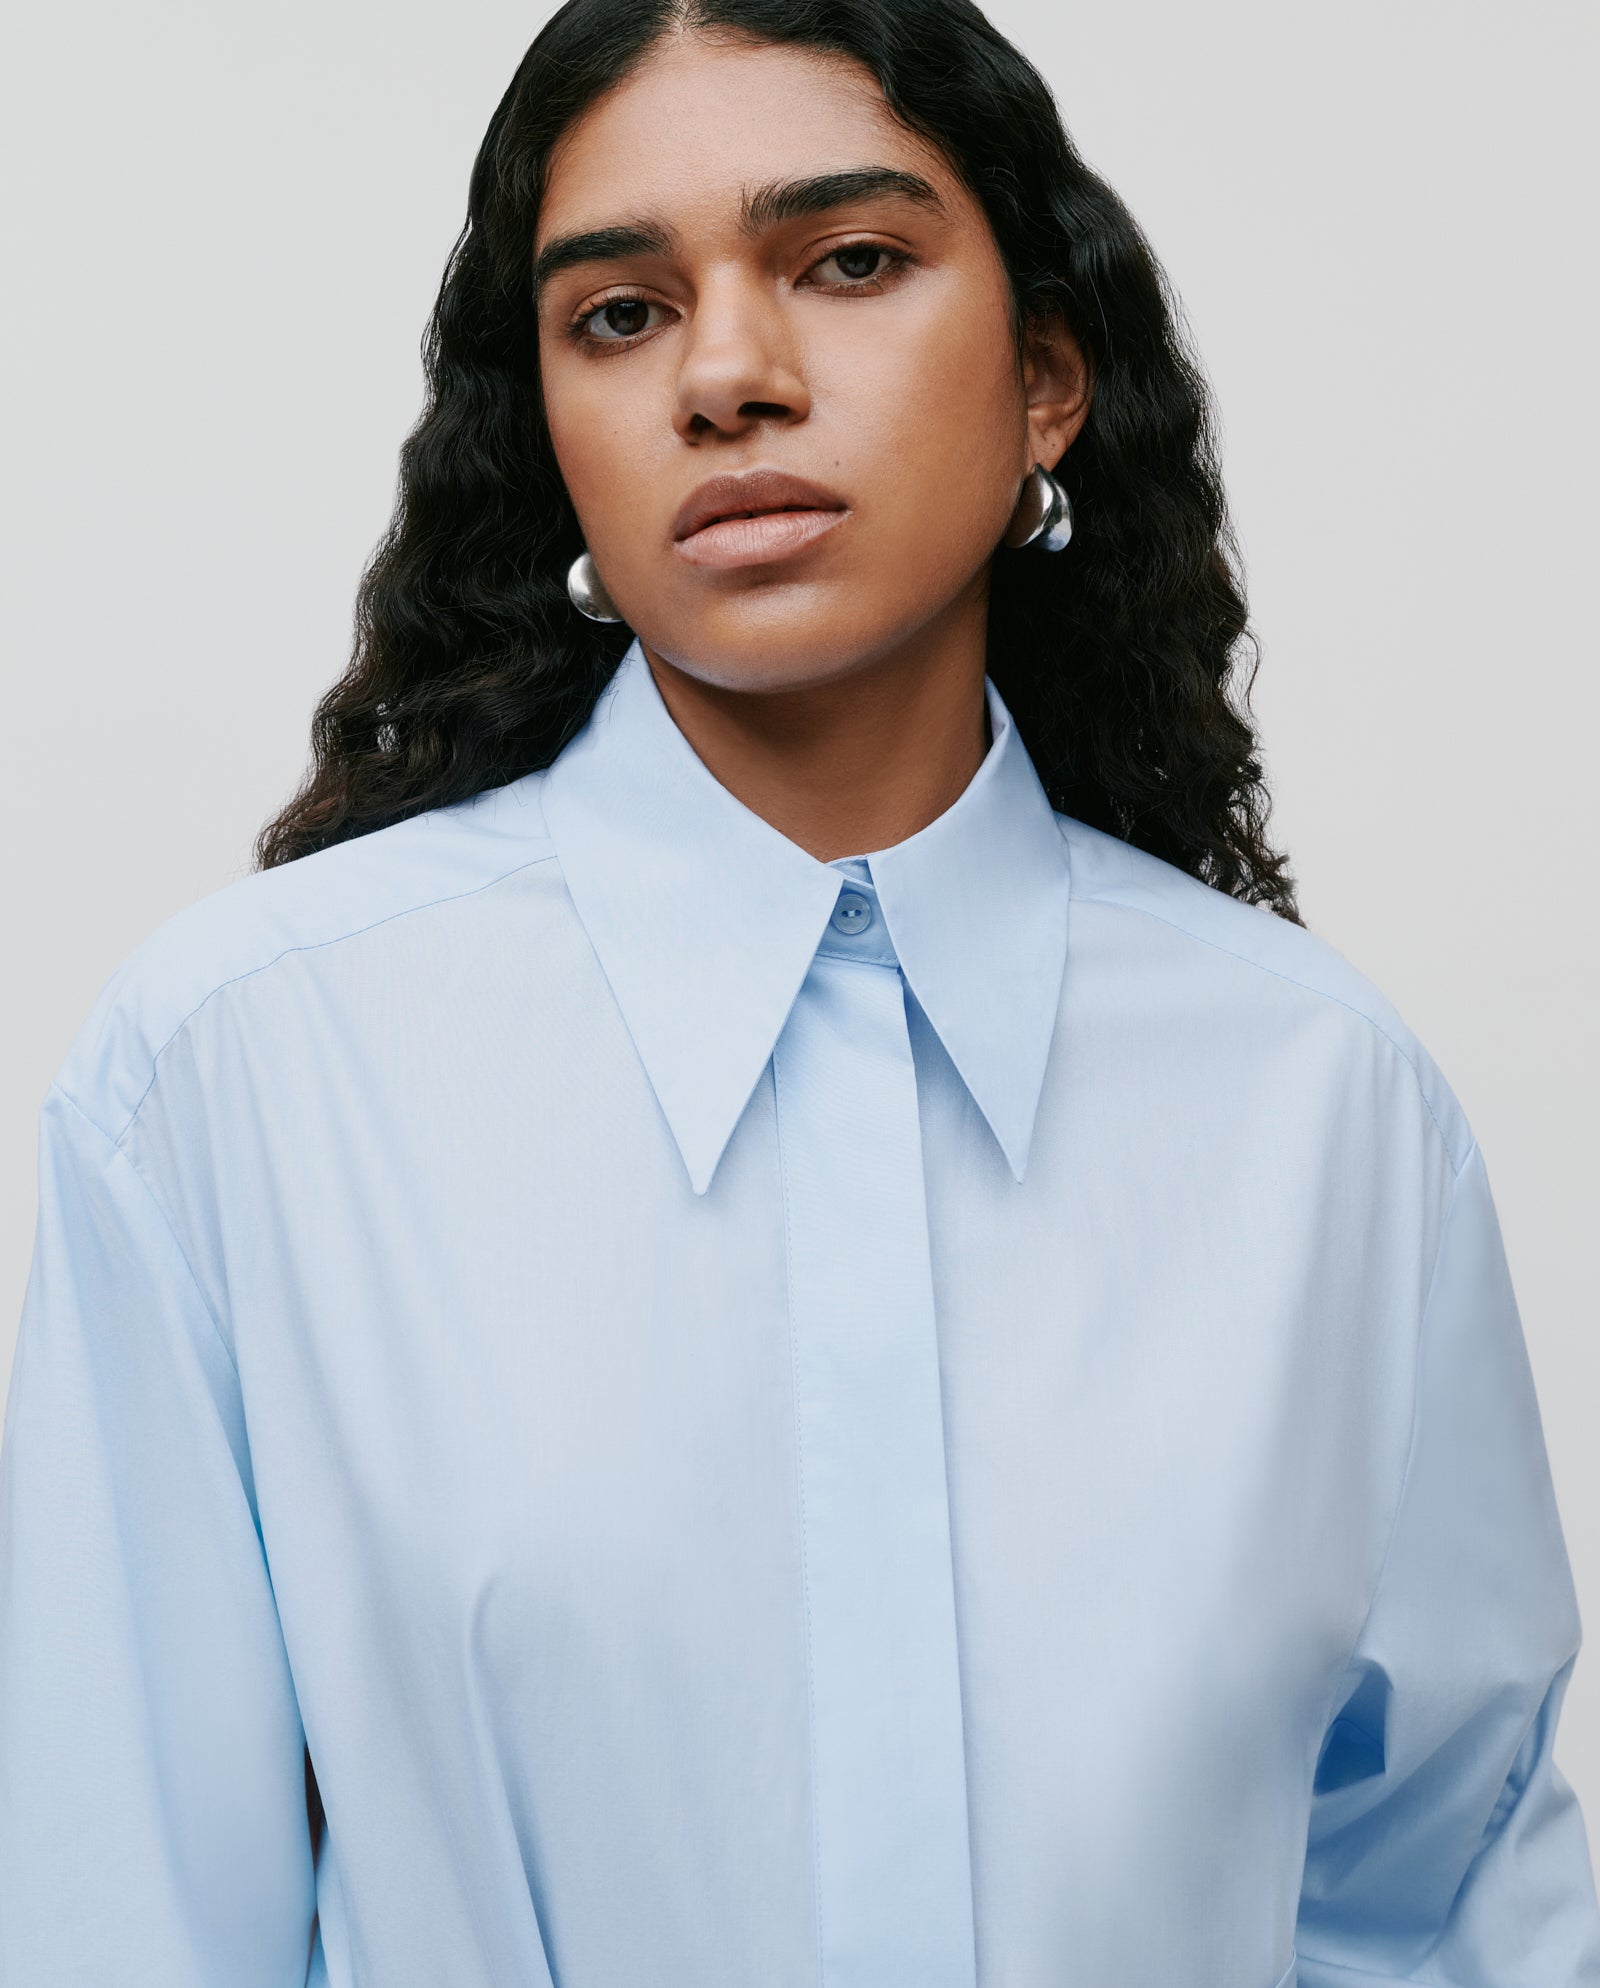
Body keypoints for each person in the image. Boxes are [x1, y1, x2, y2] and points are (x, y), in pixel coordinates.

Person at [2, 0, 1596, 1982]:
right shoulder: (239, 1081)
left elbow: (1444, 1911)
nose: (728, 375)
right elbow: (122, 1925)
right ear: (552, 426)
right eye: (617, 313)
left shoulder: (1321, 1108)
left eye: (846, 261)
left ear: (1043, 379)